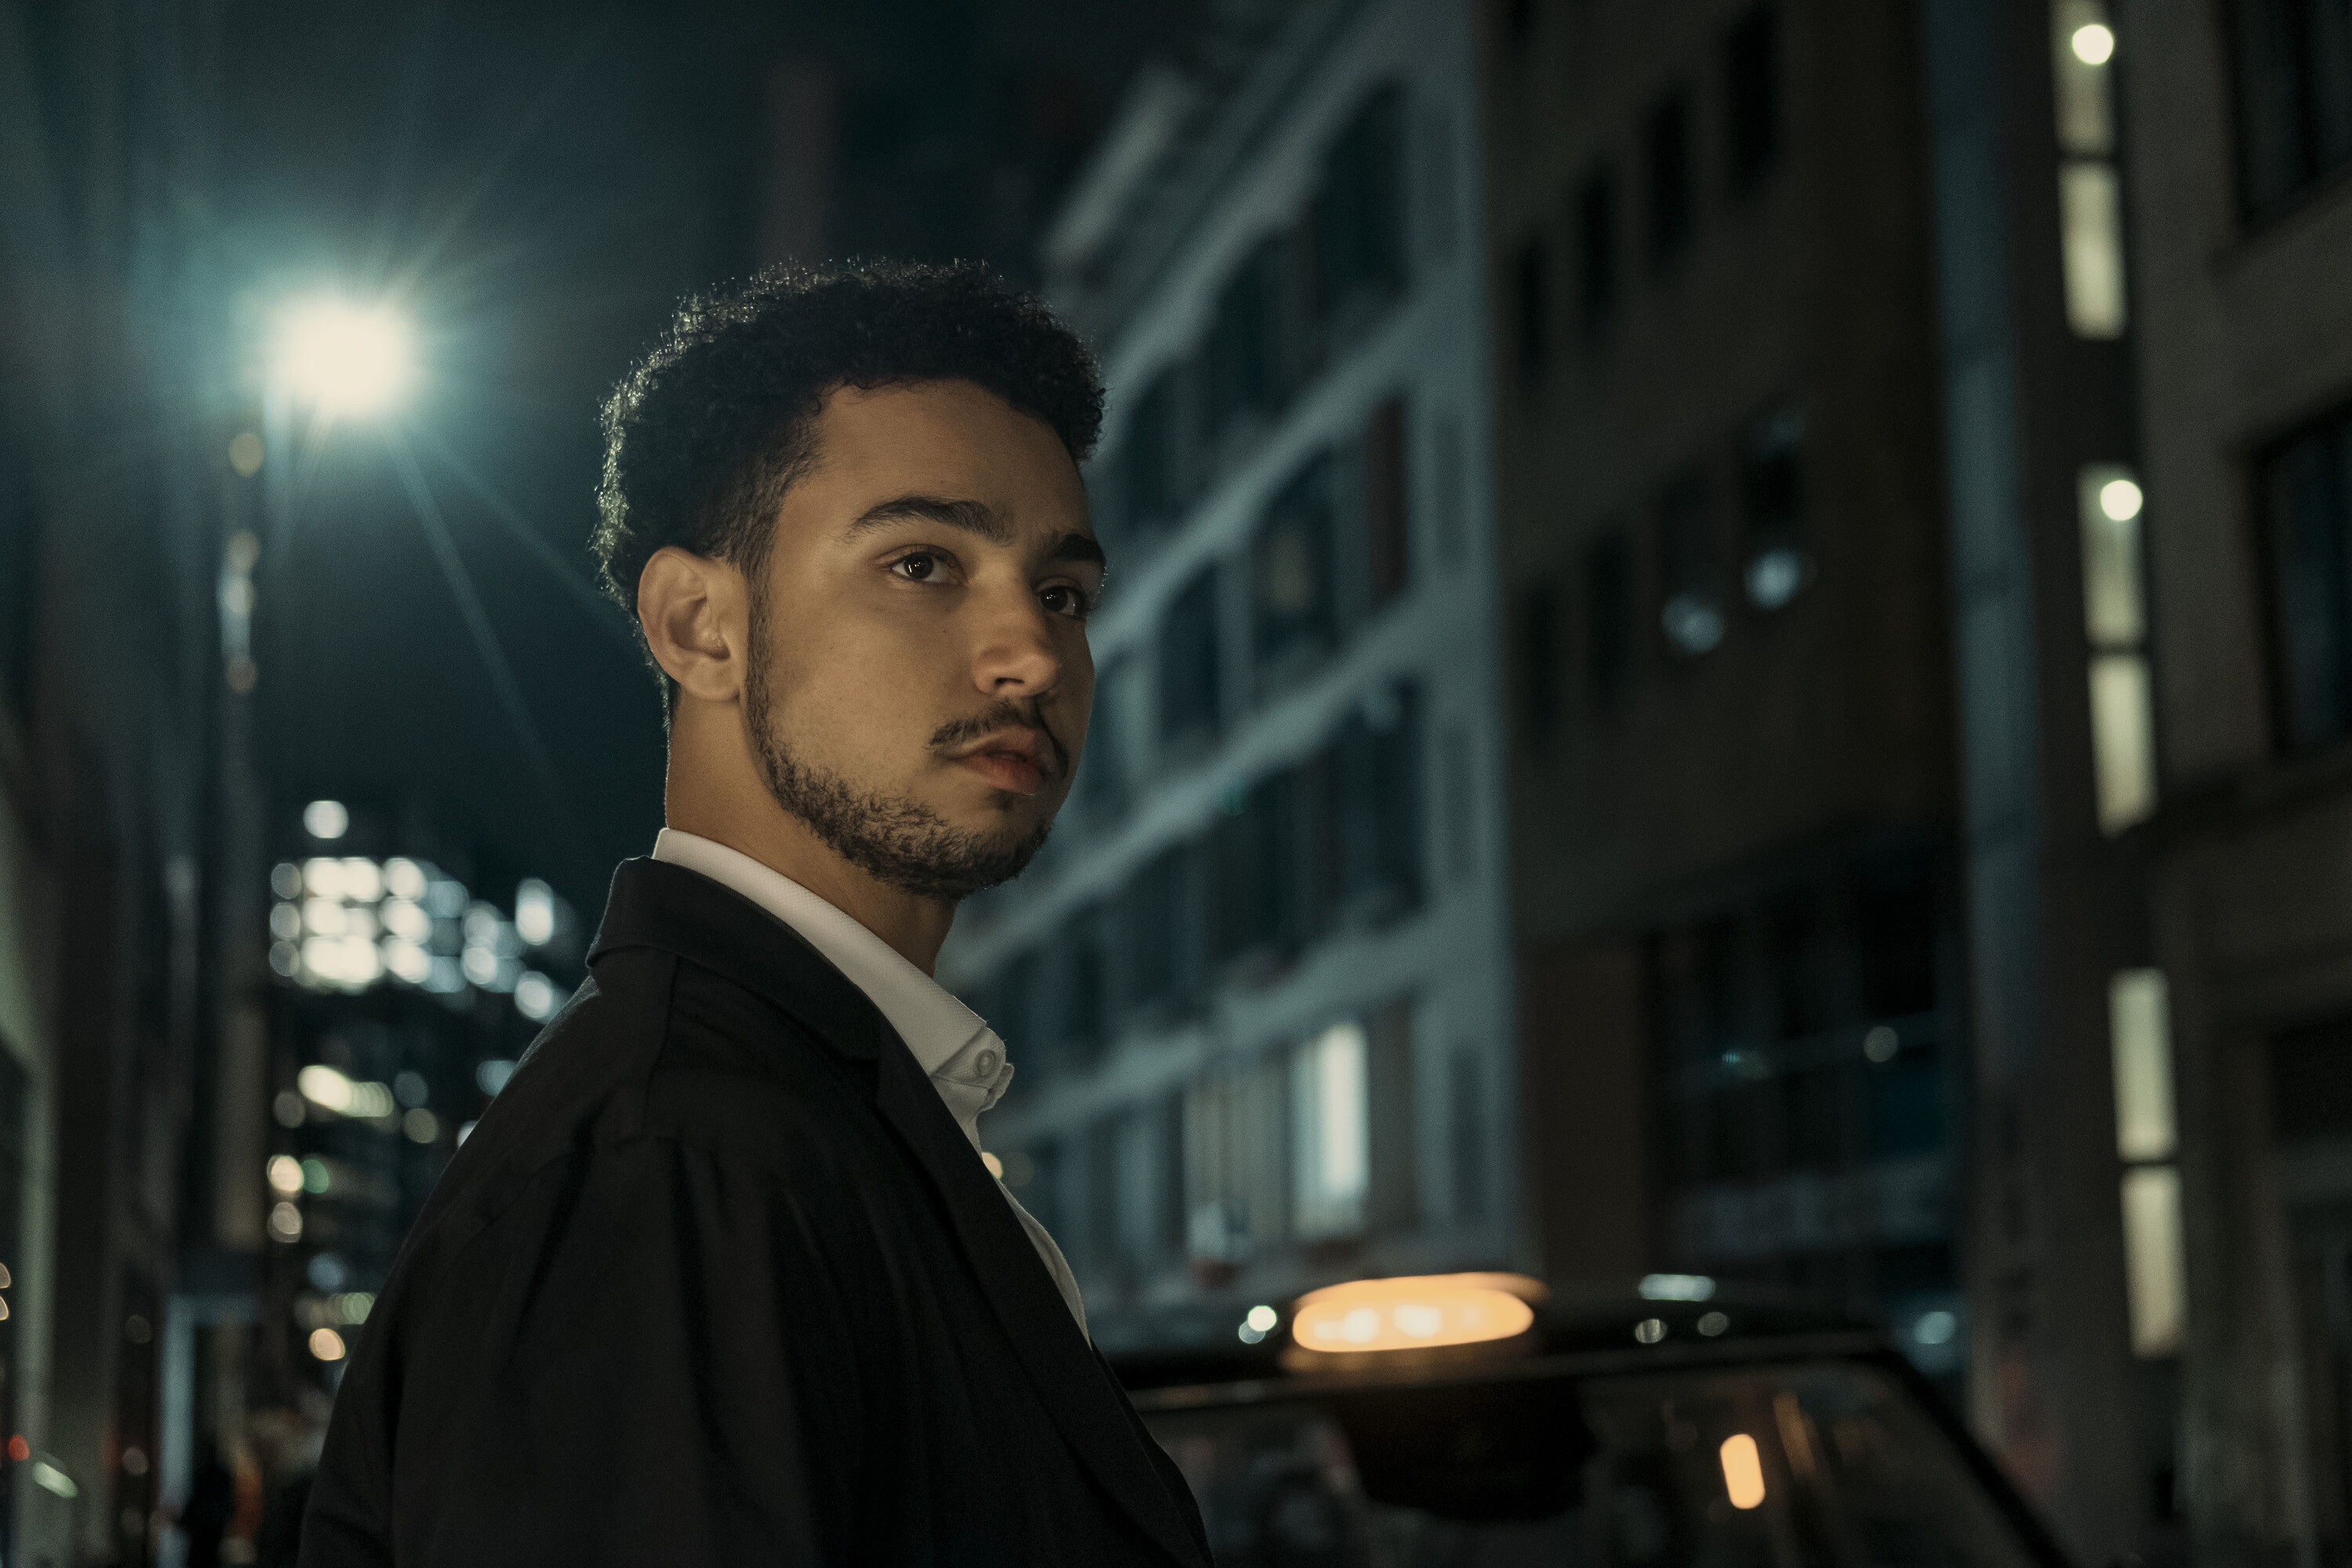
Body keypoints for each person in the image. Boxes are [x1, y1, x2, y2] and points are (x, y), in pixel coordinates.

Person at [299, 263, 1209, 1566]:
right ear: (699, 626)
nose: (1031, 653)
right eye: (923, 564)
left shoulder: (786, 1123)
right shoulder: (679, 1160)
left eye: (1061, 592)